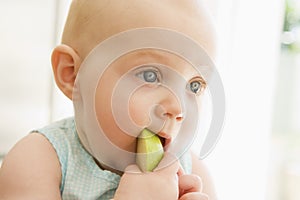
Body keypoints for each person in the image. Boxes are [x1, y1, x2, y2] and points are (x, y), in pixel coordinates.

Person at [0, 0, 218, 199]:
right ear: (73, 74)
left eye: (194, 85)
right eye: (149, 75)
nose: (178, 108)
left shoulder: (194, 174)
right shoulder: (38, 161)